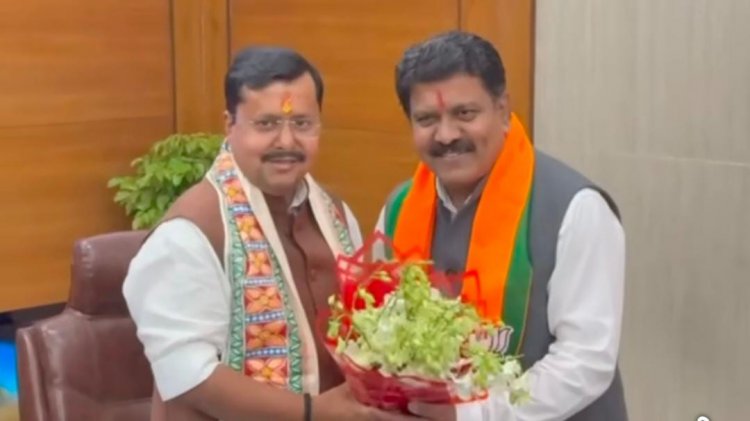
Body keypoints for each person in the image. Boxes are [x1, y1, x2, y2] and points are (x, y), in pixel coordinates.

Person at [123, 46, 419, 421]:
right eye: (266, 124)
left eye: (302, 124)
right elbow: (189, 378)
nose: (286, 142)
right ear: (230, 125)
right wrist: (314, 413)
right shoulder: (188, 234)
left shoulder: (336, 215)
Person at [375, 31, 628, 421]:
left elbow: (585, 361)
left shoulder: (575, 209)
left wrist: (471, 415)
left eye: (465, 114)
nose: (446, 135)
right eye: (427, 119)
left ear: (503, 110)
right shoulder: (398, 208)